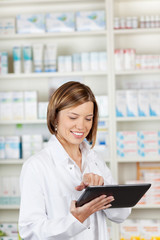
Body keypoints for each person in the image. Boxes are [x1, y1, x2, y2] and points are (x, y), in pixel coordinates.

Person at [19, 81, 131, 240]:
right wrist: (75, 220)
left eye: (88, 118)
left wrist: (103, 189)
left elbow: (121, 215)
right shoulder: (36, 166)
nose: (81, 126)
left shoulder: (95, 161)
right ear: (55, 117)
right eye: (73, 117)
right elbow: (29, 231)